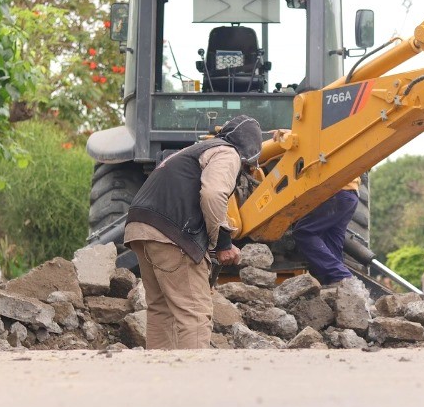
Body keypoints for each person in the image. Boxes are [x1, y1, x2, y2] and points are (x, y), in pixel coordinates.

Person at [124, 115, 263, 349]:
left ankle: (159, 379)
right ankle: (196, 380)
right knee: (195, 312)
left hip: (140, 228)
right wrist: (223, 243)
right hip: (172, 234)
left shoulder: (196, 150)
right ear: (249, 152)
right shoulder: (227, 153)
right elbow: (213, 194)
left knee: (161, 309)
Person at [292, 178, 361, 288]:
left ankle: (342, 276)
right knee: (331, 240)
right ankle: (338, 286)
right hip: (350, 195)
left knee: (303, 232)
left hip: (335, 192)